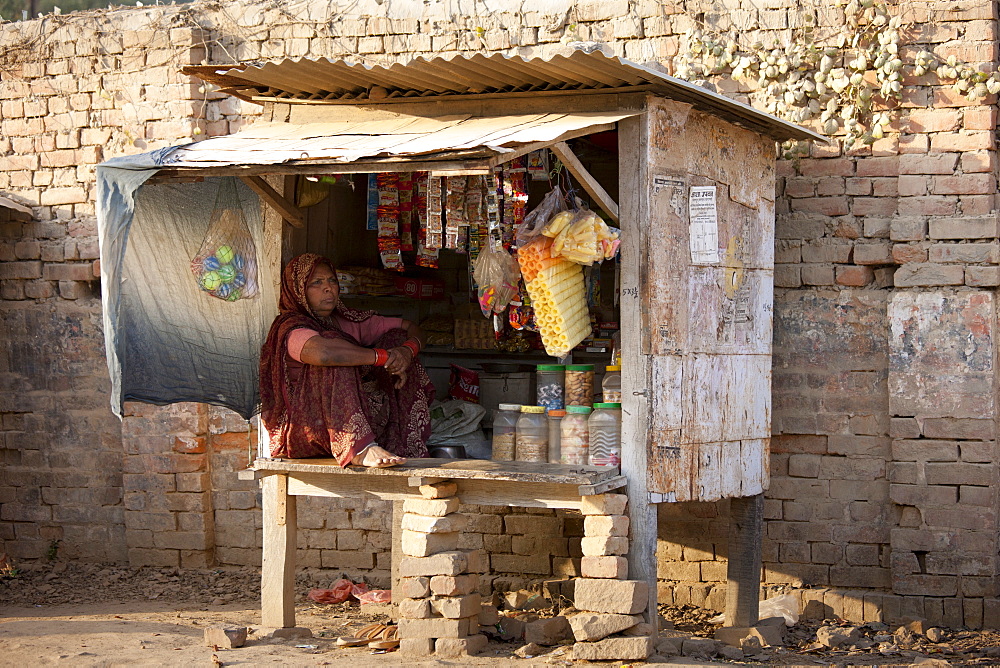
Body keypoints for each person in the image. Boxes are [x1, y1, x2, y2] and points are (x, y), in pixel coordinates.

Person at [260, 253, 435, 467]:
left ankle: (407, 443)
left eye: (332, 280)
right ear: (298, 291)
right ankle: (359, 449)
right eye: (316, 282)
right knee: (337, 353)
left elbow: (411, 328)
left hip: (364, 417)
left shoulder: (345, 321)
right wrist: (381, 357)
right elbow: (325, 354)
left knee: (397, 340)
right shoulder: (291, 328)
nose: (328, 288)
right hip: (309, 429)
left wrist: (406, 351)